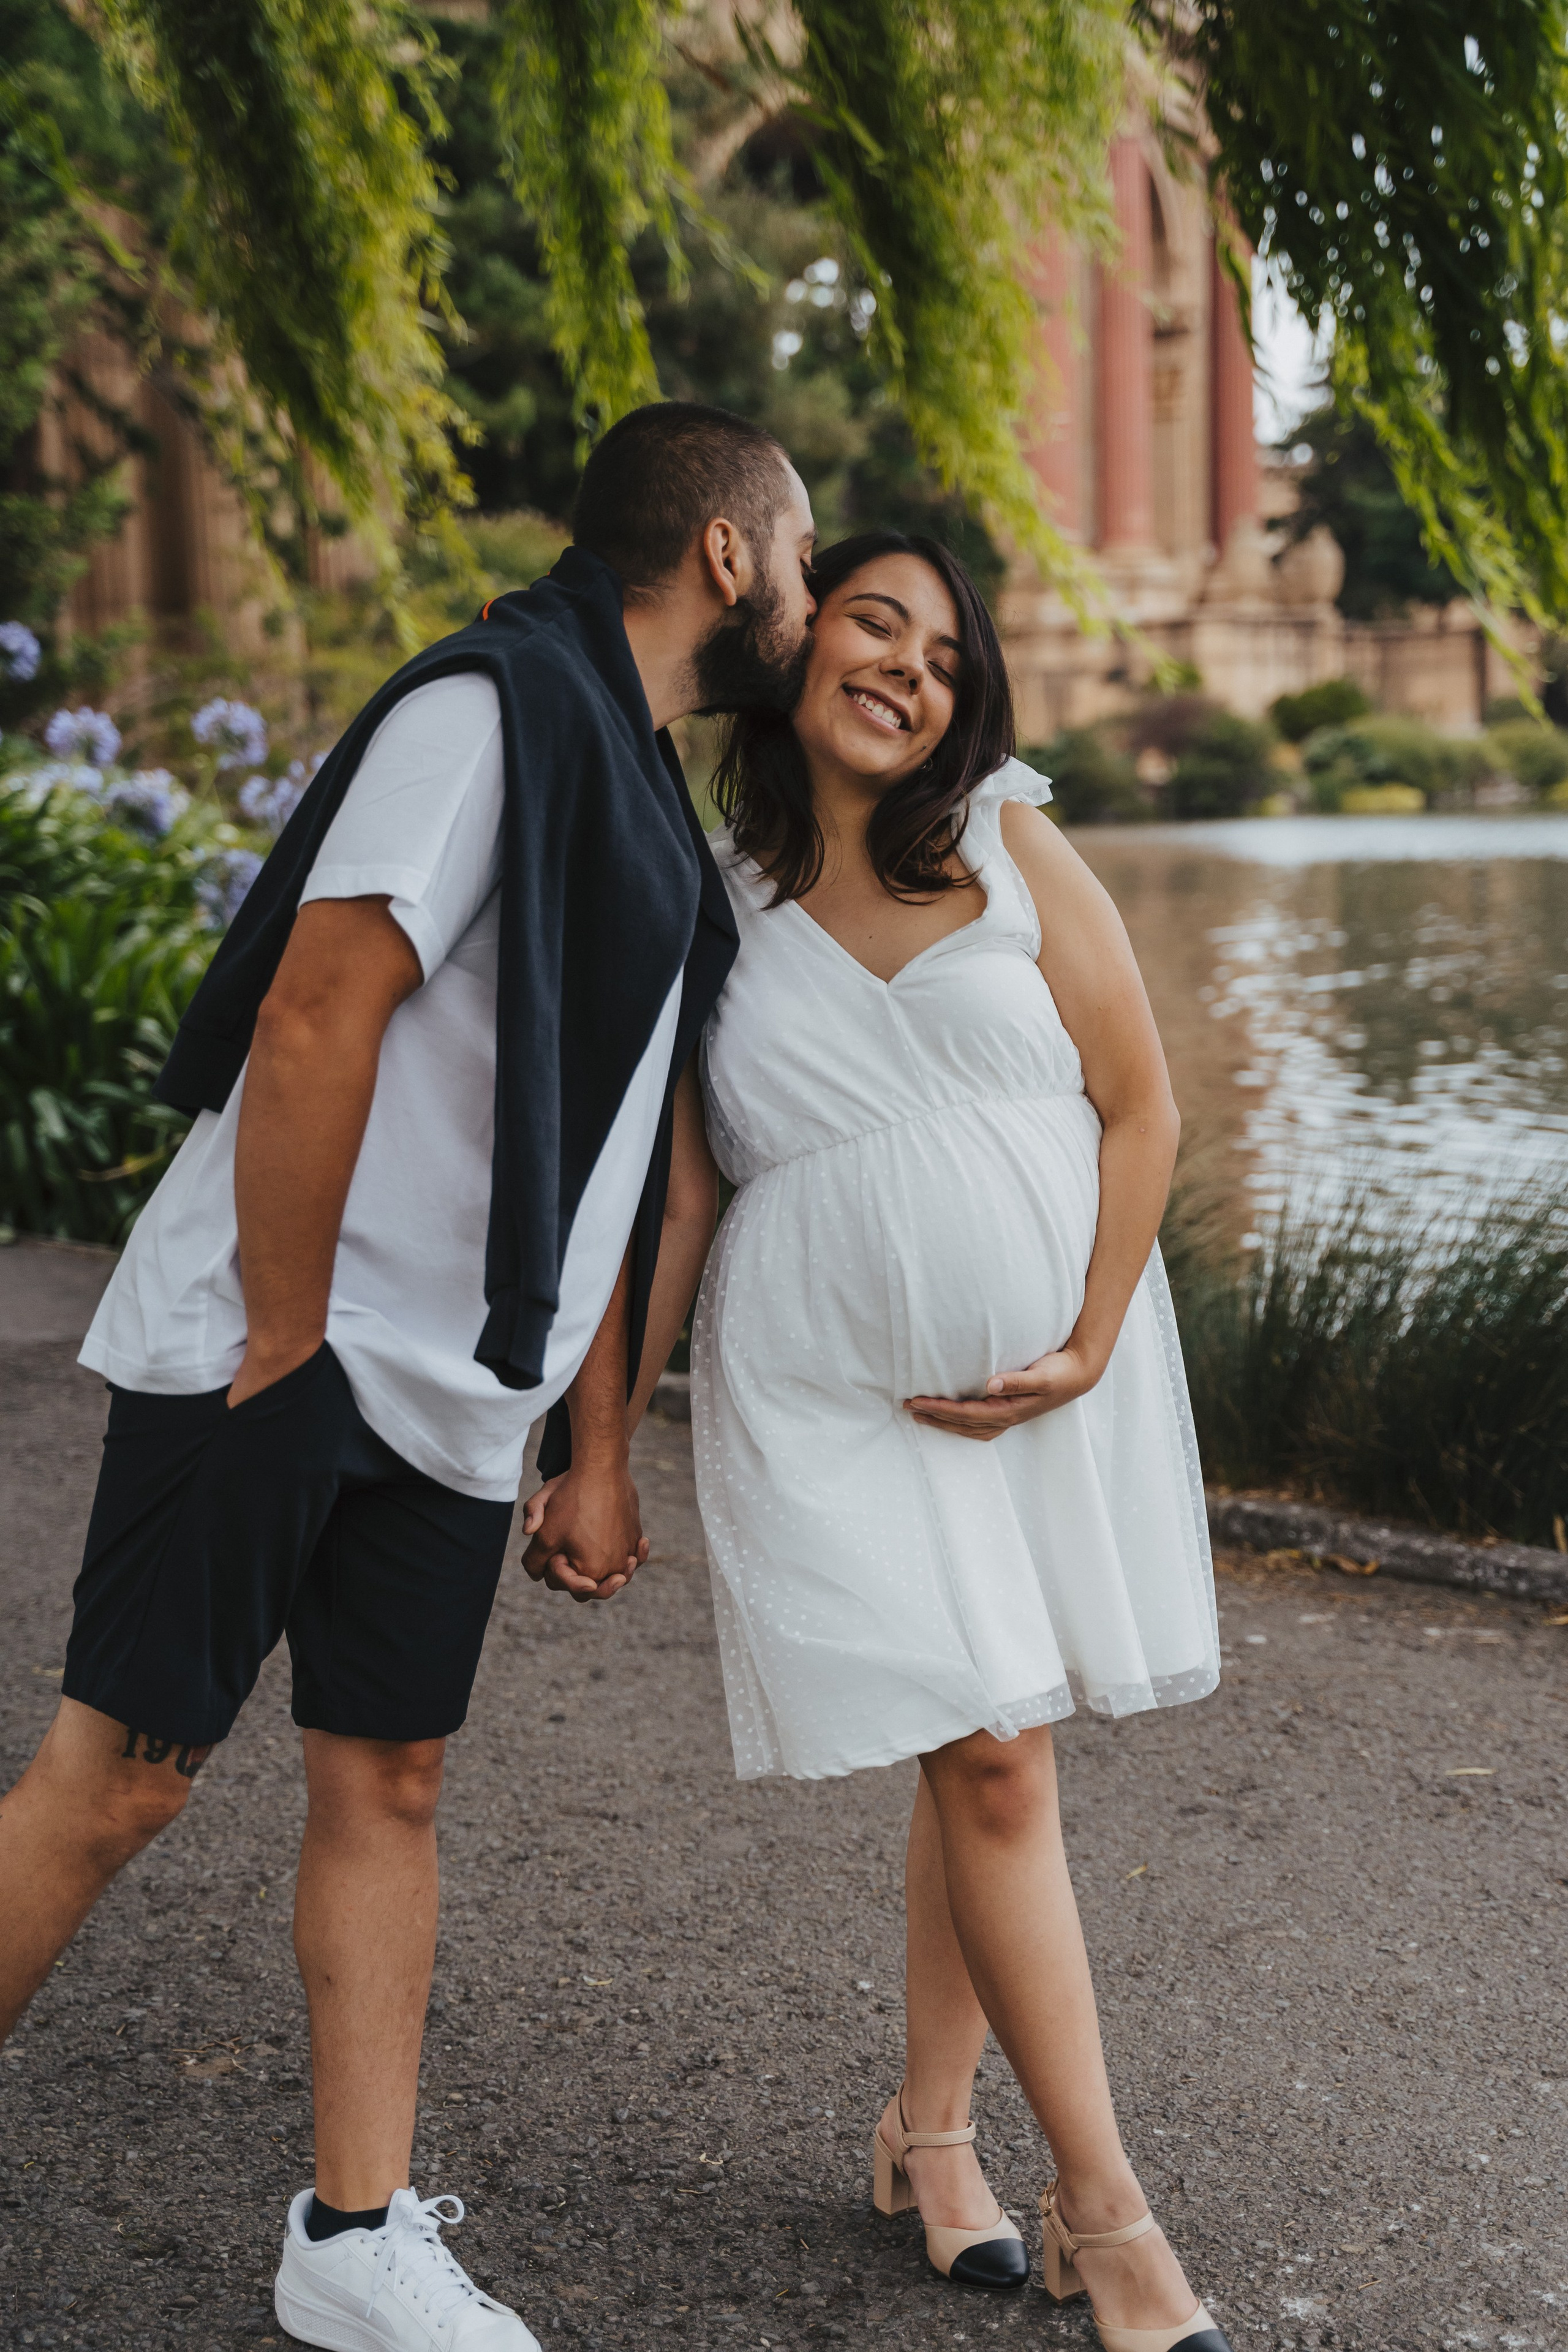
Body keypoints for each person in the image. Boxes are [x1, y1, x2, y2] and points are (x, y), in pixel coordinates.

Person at [0, 402, 817, 2352]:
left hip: (453, 1390)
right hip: (282, 1350)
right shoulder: (492, 710)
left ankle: (351, 2240)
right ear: (726, 553)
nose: (808, 593)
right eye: (803, 557)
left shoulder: (639, 789)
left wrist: (595, 1439)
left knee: (392, 1780)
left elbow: (619, 1154)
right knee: (117, 1786)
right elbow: (317, 1008)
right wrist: (285, 1337)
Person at [685, 530, 1231, 2352]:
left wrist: (1087, 1340)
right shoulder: (711, 902)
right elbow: (678, 1191)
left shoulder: (1006, 838)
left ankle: (932, 2136)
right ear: (796, 646)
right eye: (873, 624)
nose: (906, 671)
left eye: (940, 655)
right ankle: (1111, 2215)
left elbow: (1142, 1108)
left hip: (1040, 1382)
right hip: (820, 1390)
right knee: (985, 1751)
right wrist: (592, 1434)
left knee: (983, 1746)